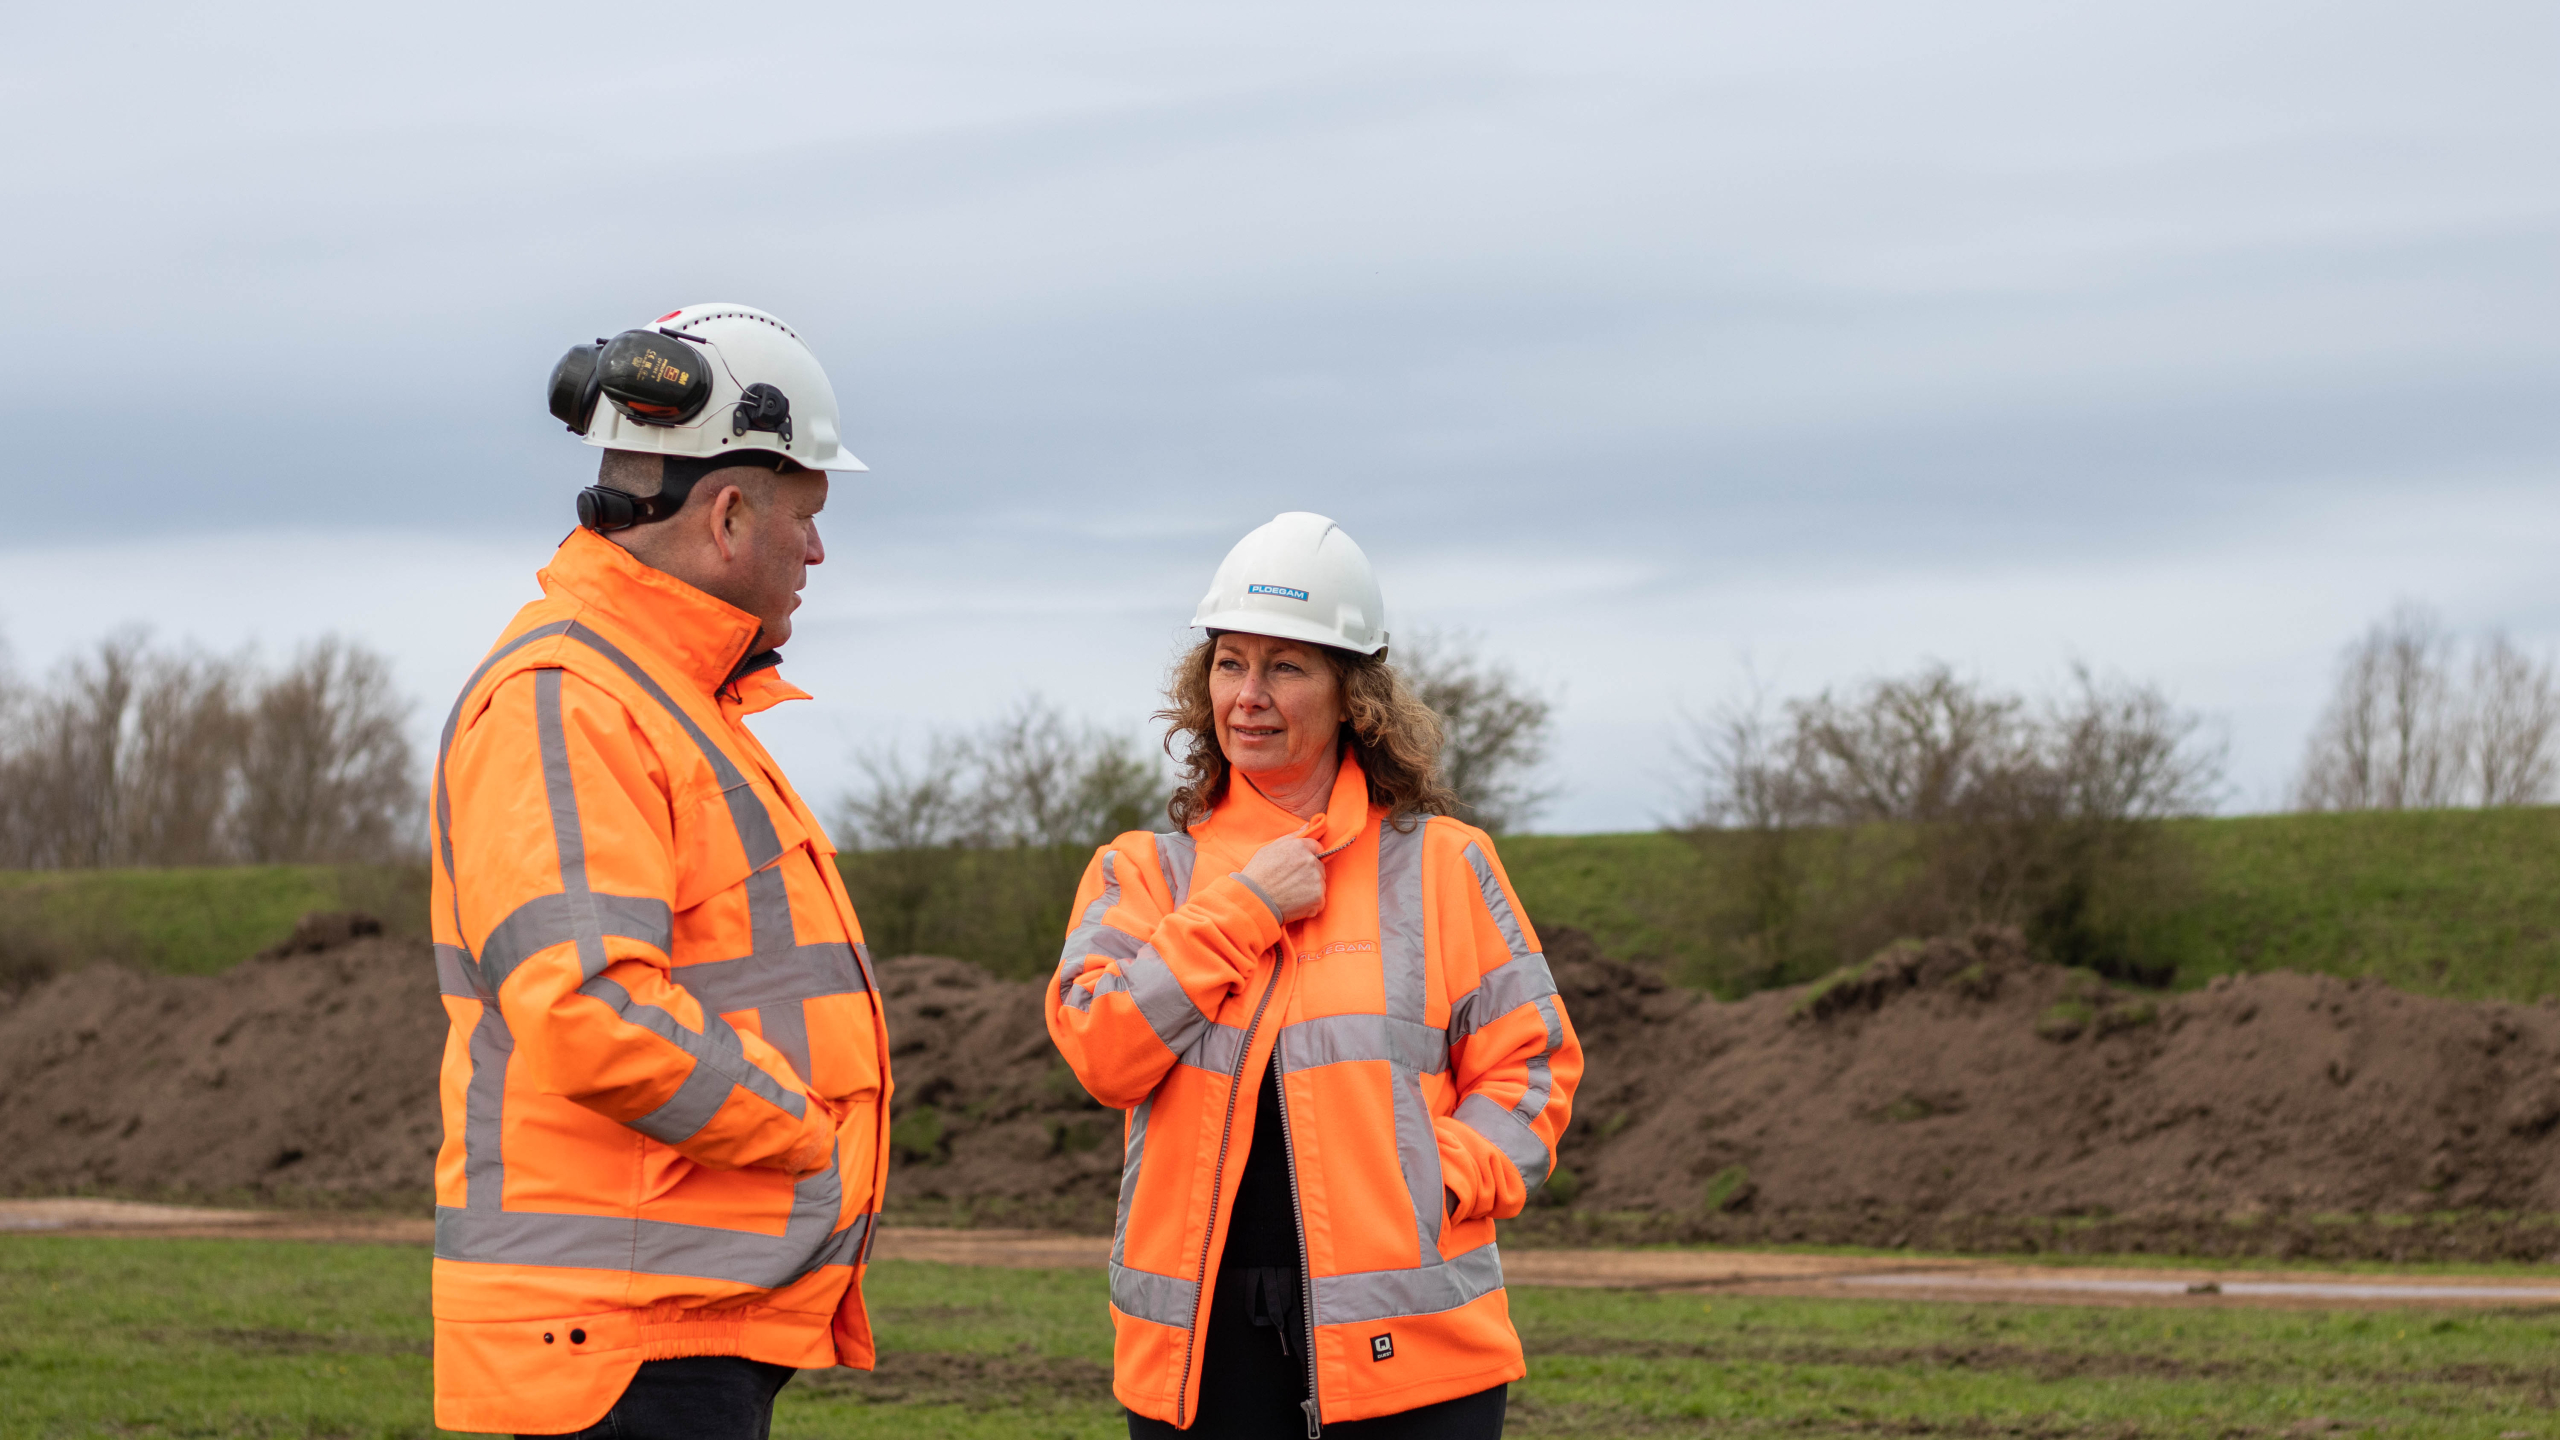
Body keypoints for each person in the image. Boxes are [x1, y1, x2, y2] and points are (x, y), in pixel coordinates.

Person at [429, 304, 890, 1440]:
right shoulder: (570, 698)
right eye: (807, 517)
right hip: (623, 1341)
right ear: (728, 514)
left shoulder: (659, 697)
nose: (817, 553)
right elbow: (588, 1008)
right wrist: (807, 1138)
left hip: (660, 1324)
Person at [1047, 512, 1582, 1438]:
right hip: (1201, 1362)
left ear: (1352, 697)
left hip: (1417, 1352)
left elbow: (1532, 1069)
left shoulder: (1444, 865)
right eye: (1230, 664)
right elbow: (1102, 1053)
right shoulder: (1143, 874)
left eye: (1286, 667)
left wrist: (1431, 1184)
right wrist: (1247, 904)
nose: (1249, 696)